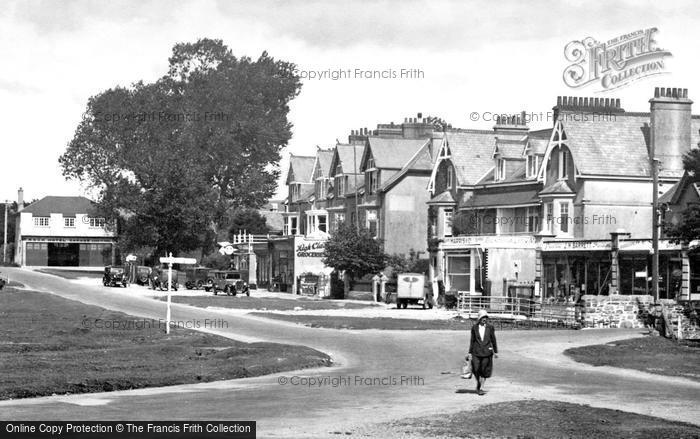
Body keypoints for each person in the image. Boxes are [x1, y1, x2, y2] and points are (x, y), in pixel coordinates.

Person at [468, 309, 498, 395]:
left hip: (487, 352)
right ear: (479, 318)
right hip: (476, 352)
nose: (485, 319)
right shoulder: (474, 328)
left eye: (486, 317)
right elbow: (472, 340)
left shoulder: (490, 327)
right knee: (476, 369)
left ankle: (481, 387)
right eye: (483, 317)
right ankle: (478, 382)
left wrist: (495, 351)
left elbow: (493, 339)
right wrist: (469, 352)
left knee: (484, 369)